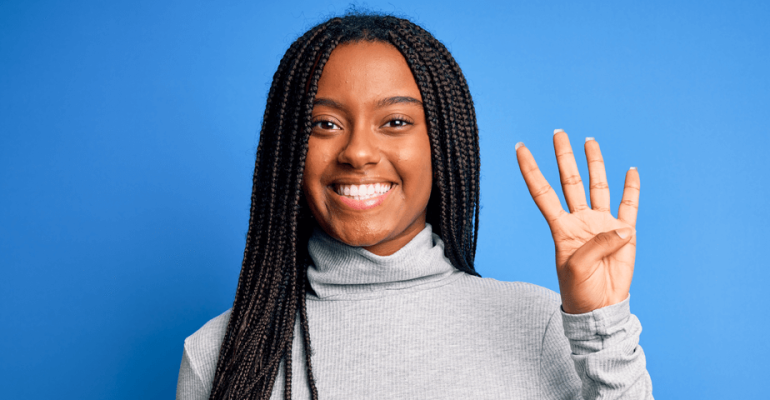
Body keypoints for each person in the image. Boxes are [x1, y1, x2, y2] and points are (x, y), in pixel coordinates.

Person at [176, 13, 652, 400]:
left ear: (442, 146)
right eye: (323, 124)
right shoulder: (220, 352)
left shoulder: (543, 325)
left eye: (396, 121)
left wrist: (601, 329)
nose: (358, 152)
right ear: (287, 151)